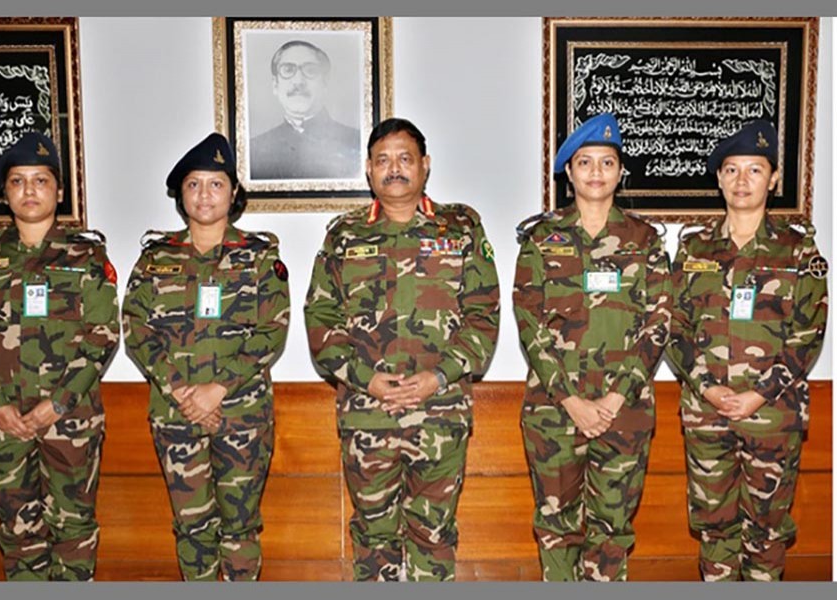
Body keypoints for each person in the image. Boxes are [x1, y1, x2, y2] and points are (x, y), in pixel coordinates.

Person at [304, 117, 500, 581]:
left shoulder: (462, 226)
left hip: (440, 410)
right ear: (368, 170)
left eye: (405, 158)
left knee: (433, 534)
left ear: (425, 166)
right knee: (374, 537)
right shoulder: (343, 235)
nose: (395, 169)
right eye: (383, 160)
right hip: (367, 413)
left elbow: (483, 315)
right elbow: (321, 320)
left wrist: (438, 376)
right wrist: (365, 379)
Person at [0, 132, 120, 580]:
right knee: (18, 531)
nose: (29, 190)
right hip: (0, 421)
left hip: (70, 420)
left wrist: (54, 406)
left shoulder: (87, 255)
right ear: (5, 192)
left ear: (59, 191)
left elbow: (102, 337)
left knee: (74, 529)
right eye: (18, 181)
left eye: (40, 180)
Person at [122, 132, 289, 581]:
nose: (204, 194)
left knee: (240, 527)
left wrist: (217, 390)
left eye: (216, 184)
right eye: (194, 184)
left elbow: (272, 330)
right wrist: (182, 392)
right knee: (192, 526)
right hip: (175, 413)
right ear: (181, 194)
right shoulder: (156, 260)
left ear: (233, 193)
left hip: (242, 415)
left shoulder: (259, 257)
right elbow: (136, 329)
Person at [513, 113, 672, 581]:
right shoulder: (542, 239)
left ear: (621, 172)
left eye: (607, 162)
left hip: (626, 410)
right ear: (569, 172)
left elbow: (659, 320)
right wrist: (572, 400)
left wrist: (614, 398)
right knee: (557, 527)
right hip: (554, 410)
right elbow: (528, 321)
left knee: (612, 529)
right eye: (586, 162)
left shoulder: (645, 241)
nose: (597, 172)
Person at [666, 120, 828, 581]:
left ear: (773, 179)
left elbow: (807, 333)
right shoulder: (694, 248)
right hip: (707, 415)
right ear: (718, 177)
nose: (742, 181)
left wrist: (757, 394)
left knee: (767, 533)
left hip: (772, 416)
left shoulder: (799, 252)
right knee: (715, 530)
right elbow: (675, 327)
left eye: (754, 170)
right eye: (732, 170)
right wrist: (709, 390)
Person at [249, 39, 361, 180]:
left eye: (310, 70)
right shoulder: (254, 150)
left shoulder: (356, 143)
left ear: (324, 83)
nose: (298, 81)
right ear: (275, 85)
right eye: (288, 70)